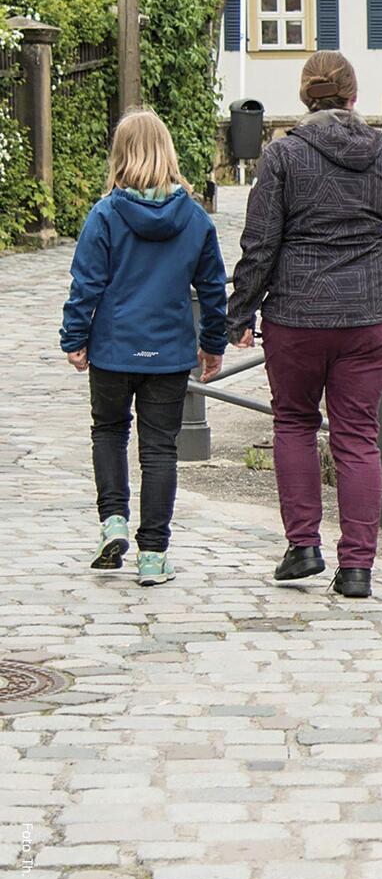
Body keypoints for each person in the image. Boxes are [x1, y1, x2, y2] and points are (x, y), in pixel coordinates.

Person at [227, 51, 382, 599]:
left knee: (293, 423)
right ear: (353, 96)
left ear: (304, 97)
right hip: (367, 319)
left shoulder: (282, 157)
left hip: (295, 316)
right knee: (358, 436)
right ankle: (358, 567)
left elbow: (260, 243)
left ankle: (302, 548)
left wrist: (240, 312)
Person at [59, 109, 228, 587]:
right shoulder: (194, 218)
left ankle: (113, 522)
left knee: (109, 432)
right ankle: (153, 554)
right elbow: (213, 289)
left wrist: (74, 338)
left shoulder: (106, 214)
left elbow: (85, 284)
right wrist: (212, 343)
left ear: (120, 155)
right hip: (170, 352)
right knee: (159, 451)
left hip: (113, 349)